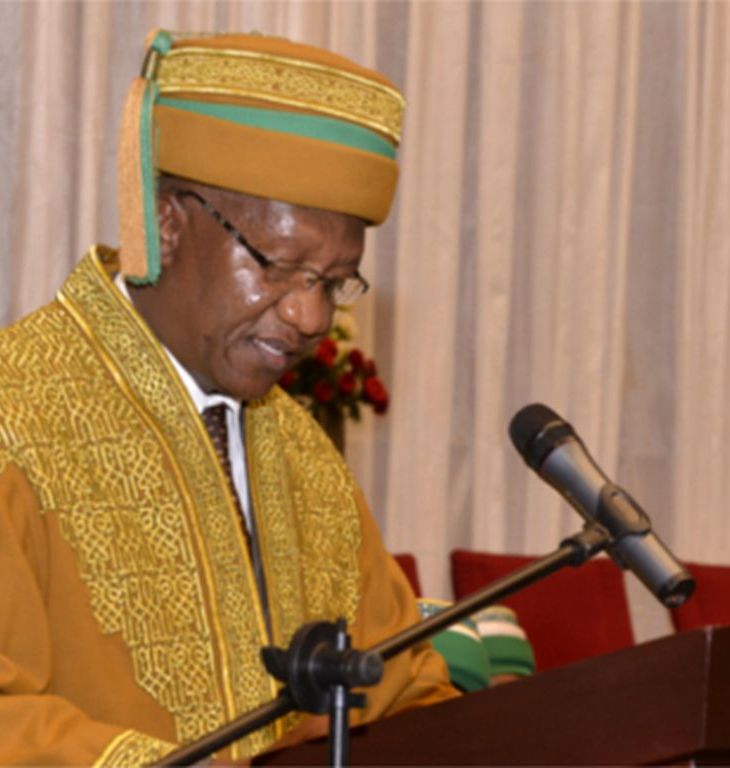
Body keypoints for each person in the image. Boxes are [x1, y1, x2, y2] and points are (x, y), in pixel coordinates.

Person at [0, 31, 456, 766]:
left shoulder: (304, 458)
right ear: (171, 224)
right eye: (280, 266)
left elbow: (408, 694)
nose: (311, 318)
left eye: (333, 282)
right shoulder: (14, 411)